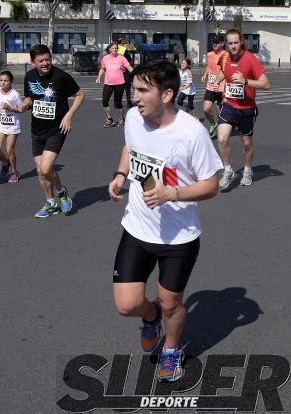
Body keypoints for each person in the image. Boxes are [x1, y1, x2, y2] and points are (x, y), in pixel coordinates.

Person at [108, 60, 222, 382]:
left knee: (172, 303)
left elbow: (211, 184)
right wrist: (120, 175)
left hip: (178, 238)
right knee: (127, 305)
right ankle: (150, 315)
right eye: (134, 89)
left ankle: (172, 348)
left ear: (168, 93)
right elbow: (130, 147)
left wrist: (172, 194)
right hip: (137, 228)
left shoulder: (191, 132)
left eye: (143, 90)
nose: (135, 97)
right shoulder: (133, 117)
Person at [20, 44, 85, 218]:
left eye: (47, 59)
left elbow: (80, 94)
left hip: (56, 129)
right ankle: (51, 203)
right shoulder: (29, 76)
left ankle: (62, 192)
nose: (45, 63)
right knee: (41, 171)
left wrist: (69, 115)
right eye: (40, 60)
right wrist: (25, 104)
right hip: (37, 130)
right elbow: (30, 98)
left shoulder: (62, 77)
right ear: (33, 62)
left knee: (46, 167)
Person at [214, 28, 269, 189]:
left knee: (246, 143)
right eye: (230, 43)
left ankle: (247, 170)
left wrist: (245, 81)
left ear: (241, 42)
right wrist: (216, 83)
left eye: (236, 43)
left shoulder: (250, 59)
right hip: (229, 104)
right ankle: (228, 170)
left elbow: (266, 84)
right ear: (226, 44)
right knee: (222, 138)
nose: (233, 46)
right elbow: (225, 72)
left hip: (247, 108)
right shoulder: (225, 58)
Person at [0, 71, 22, 183]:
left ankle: (14, 172)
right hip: (0, 124)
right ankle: (5, 162)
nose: (3, 83)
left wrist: (10, 108)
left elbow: (20, 109)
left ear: (11, 82)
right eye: (1, 80)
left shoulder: (15, 95)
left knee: (9, 150)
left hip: (12, 126)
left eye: (6, 81)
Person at [96, 42, 133, 127]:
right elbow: (102, 68)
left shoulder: (122, 58)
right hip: (108, 83)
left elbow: (129, 68)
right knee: (104, 101)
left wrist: (137, 75)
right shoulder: (105, 58)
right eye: (113, 48)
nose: (115, 49)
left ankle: (121, 118)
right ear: (109, 49)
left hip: (119, 83)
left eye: (116, 48)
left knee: (118, 103)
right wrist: (98, 77)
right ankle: (109, 119)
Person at [201, 34, 229, 138]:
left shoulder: (226, 55)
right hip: (211, 86)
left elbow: (227, 70)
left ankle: (223, 128)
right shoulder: (210, 54)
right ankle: (213, 124)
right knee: (206, 109)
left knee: (220, 111)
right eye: (213, 42)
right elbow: (210, 65)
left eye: (217, 42)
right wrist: (205, 74)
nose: (214, 44)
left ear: (222, 43)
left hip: (222, 87)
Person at [117, 38, 135, 109]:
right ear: (122, 42)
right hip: (125, 70)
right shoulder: (123, 49)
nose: (125, 42)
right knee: (127, 88)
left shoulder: (114, 49)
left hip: (118, 71)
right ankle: (129, 103)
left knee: (119, 88)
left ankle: (118, 103)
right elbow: (128, 58)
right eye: (124, 41)